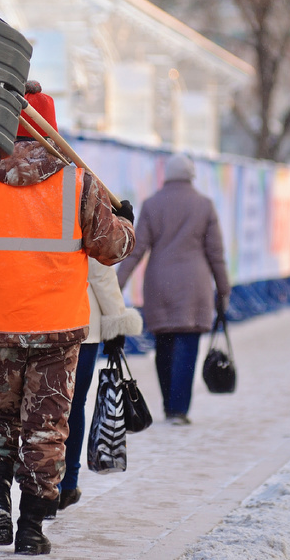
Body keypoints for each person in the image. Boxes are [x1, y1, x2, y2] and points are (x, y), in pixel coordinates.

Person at [0, 81, 135, 555]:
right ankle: (31, 527)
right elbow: (111, 249)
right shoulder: (79, 185)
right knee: (47, 426)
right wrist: (126, 220)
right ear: (51, 131)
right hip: (57, 329)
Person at [117, 153, 229, 426]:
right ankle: (178, 409)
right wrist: (223, 290)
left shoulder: (152, 204)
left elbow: (136, 249)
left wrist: (116, 283)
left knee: (164, 346)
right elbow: (216, 254)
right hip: (195, 287)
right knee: (188, 347)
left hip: (160, 286)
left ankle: (169, 403)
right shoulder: (204, 206)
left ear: (167, 175)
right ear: (191, 175)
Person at [57, 258, 143, 512]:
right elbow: (99, 271)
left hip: (40, 317)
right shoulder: (86, 216)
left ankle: (43, 483)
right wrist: (116, 321)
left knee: (42, 404)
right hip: (83, 321)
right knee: (74, 404)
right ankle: (67, 484)